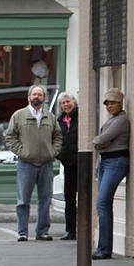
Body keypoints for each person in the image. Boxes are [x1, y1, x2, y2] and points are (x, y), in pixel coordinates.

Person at [5, 85, 62, 242]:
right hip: (26, 164)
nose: (37, 97)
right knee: (23, 200)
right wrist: (23, 152)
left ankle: (42, 231)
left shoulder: (50, 117)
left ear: (44, 98)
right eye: (34, 94)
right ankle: (22, 232)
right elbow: (10, 137)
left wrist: (53, 152)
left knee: (45, 199)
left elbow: (58, 137)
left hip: (46, 163)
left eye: (40, 94)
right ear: (29, 97)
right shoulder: (19, 115)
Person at [91, 88, 130, 260]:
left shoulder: (121, 120)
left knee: (102, 204)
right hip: (105, 162)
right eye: (107, 103)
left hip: (116, 162)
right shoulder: (112, 120)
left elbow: (99, 140)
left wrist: (101, 142)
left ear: (121, 103)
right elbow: (101, 142)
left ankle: (105, 248)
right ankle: (104, 247)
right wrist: (102, 142)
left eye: (113, 102)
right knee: (103, 205)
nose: (109, 106)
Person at [56, 93, 78, 240]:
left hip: (82, 162)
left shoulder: (82, 116)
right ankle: (70, 230)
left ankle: (85, 228)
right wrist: (59, 155)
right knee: (69, 198)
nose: (66, 105)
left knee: (84, 197)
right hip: (67, 164)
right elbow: (55, 140)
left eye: (68, 101)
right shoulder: (59, 120)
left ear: (74, 102)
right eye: (63, 103)